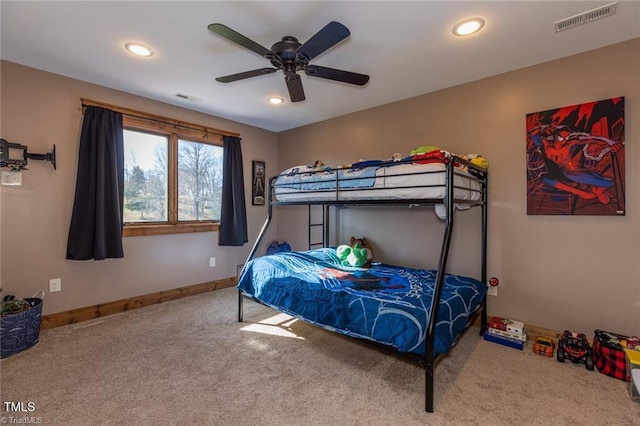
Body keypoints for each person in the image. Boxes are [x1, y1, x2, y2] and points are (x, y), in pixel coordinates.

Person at [528, 125, 622, 204]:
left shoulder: (569, 143)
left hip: (569, 173)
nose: (564, 141)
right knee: (544, 178)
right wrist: (540, 129)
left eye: (566, 137)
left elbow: (593, 139)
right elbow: (532, 134)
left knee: (609, 183)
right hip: (554, 175)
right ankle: (581, 192)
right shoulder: (545, 144)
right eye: (561, 137)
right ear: (554, 135)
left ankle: (599, 190)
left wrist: (611, 143)